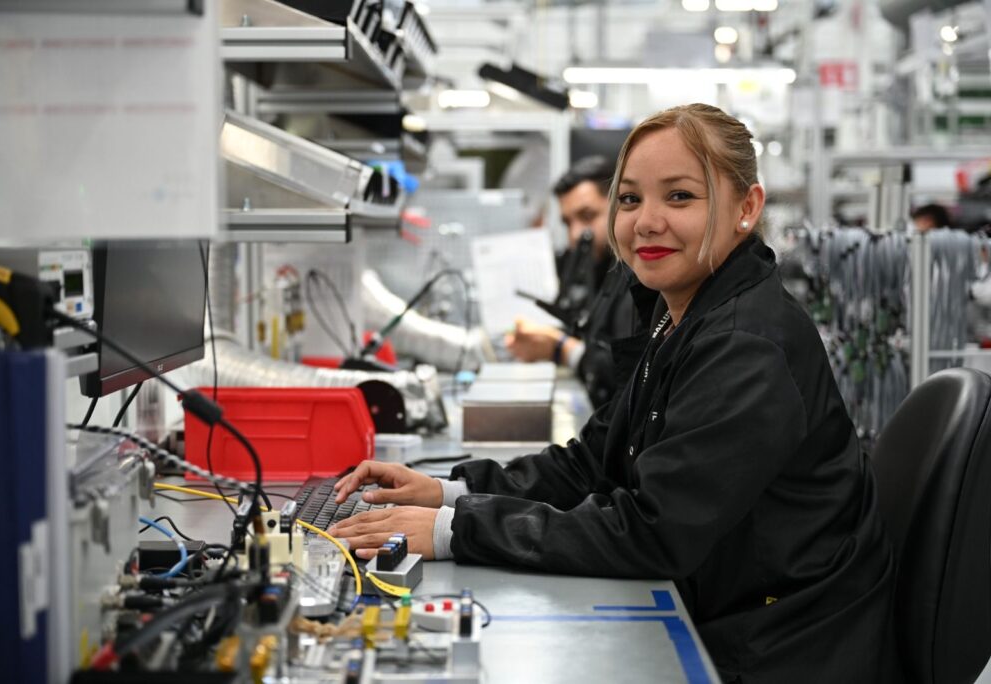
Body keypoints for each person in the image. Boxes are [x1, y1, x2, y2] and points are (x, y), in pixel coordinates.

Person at [330, 104, 898, 683]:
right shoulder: (681, 316)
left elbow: (652, 532)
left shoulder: (746, 345)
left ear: (746, 208)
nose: (646, 221)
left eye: (679, 196)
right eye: (629, 199)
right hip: (735, 612)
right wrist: (451, 491)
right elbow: (593, 463)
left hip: (786, 645)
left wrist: (456, 530)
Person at [507, 156, 649, 408]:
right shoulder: (602, 273)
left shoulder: (644, 278)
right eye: (567, 222)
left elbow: (631, 376)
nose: (575, 234)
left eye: (587, 216)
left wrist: (561, 348)